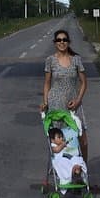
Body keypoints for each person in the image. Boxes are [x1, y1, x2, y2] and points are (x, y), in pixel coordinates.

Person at [40, 29, 88, 161]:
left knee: (82, 139)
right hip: (55, 105)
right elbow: (47, 84)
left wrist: (78, 100)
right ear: (55, 43)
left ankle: (83, 171)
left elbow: (84, 83)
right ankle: (62, 173)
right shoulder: (50, 60)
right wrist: (45, 102)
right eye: (59, 40)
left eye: (64, 39)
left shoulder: (76, 60)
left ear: (68, 42)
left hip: (73, 105)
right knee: (59, 140)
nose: (62, 42)